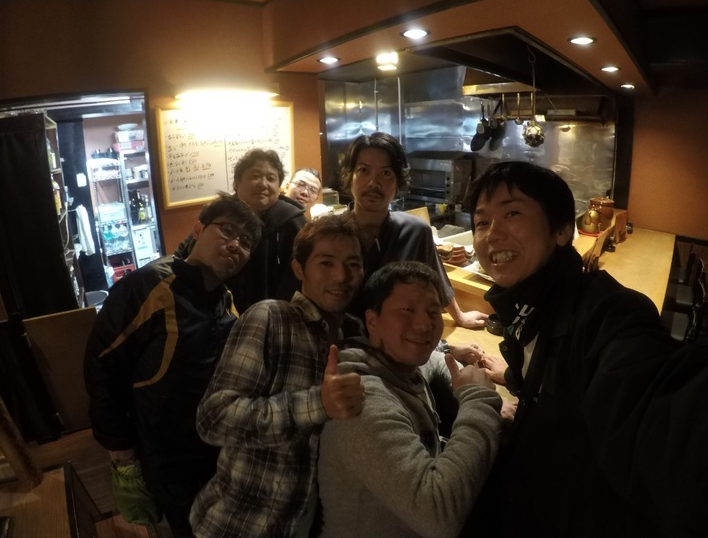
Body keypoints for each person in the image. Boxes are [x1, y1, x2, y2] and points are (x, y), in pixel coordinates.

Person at [462, 161, 708, 537]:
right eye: (481, 222)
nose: (492, 234)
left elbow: (667, 412)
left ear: (563, 230)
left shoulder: (609, 315)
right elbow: (558, 374)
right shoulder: (532, 311)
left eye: (512, 213)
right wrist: (517, 377)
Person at [84, 193, 262, 537]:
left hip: (215, 448)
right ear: (198, 229)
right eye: (227, 230)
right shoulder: (148, 287)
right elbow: (102, 366)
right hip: (165, 454)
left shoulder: (225, 302)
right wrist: (119, 448)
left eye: (245, 242)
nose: (235, 245)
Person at [191, 213, 367, 537]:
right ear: (299, 269)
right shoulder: (271, 317)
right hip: (238, 526)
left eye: (353, 264)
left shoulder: (353, 339)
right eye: (326, 263)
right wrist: (318, 403)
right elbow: (214, 418)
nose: (342, 276)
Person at [317, 261, 503, 538]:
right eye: (407, 310)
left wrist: (462, 376)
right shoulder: (359, 401)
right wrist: (479, 400)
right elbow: (438, 514)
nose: (424, 324)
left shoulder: (395, 363)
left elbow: (434, 362)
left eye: (433, 312)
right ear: (372, 321)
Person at [340, 132, 487, 329]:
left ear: (398, 181)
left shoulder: (415, 232)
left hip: (398, 335)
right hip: (344, 338)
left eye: (386, 173)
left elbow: (435, 280)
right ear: (350, 176)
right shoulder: (332, 235)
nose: (373, 183)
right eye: (363, 170)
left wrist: (459, 317)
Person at [176, 148, 306, 313]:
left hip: (273, 316)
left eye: (271, 178)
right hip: (209, 310)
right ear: (236, 183)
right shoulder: (221, 212)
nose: (263, 184)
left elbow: (301, 277)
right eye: (255, 176)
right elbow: (184, 255)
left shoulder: (293, 222)